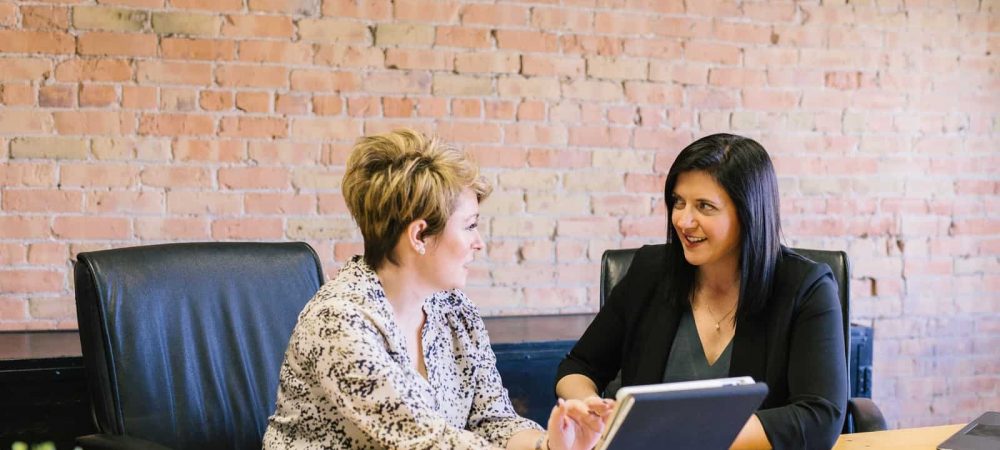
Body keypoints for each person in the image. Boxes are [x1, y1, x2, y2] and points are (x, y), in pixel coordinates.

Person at [264, 129, 608, 450]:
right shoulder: (340, 321)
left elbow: (494, 421)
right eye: (470, 226)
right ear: (419, 236)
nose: (479, 243)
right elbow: (426, 442)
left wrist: (548, 444)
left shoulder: (456, 310)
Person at [555, 133, 848, 450]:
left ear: (748, 213)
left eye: (704, 206)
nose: (683, 220)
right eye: (678, 202)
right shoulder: (650, 272)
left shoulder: (805, 286)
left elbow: (820, 417)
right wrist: (590, 409)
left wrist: (685, 433)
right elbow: (577, 368)